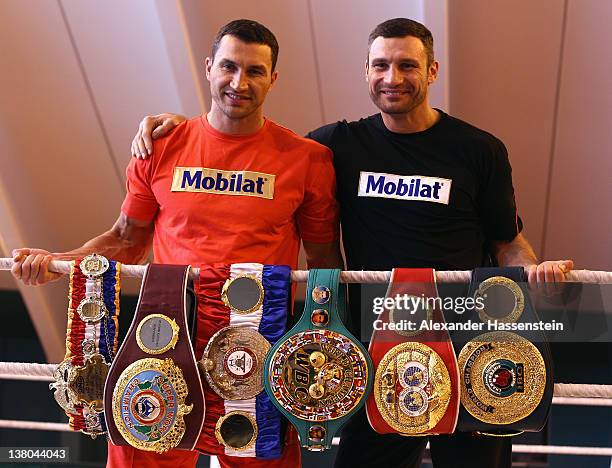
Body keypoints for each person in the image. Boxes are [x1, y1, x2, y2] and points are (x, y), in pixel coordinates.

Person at [128, 17, 573, 468]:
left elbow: (508, 243)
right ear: (365, 71)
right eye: (380, 65)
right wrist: (182, 131)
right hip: (378, 342)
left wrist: (533, 275)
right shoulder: (337, 146)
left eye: (407, 65)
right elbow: (250, 146)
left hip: (467, 343)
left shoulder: (479, 150)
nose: (392, 78)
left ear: (433, 71)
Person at [11, 19, 343, 468]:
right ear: (208, 68)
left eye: (254, 71)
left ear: (273, 79)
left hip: (255, 339)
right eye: (228, 66)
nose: (239, 82)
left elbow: (324, 261)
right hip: (165, 333)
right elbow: (126, 241)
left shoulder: (307, 160)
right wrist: (58, 262)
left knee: (260, 459)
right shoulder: (162, 147)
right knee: (138, 451)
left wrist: (314, 344)